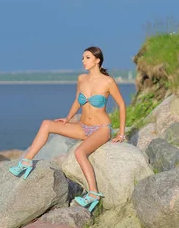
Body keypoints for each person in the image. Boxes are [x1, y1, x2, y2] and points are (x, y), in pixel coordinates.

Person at [9, 46, 127, 212]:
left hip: (101, 129)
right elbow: (77, 101)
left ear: (97, 60)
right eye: (82, 58)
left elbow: (121, 105)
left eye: (87, 58)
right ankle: (26, 162)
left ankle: (93, 194)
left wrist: (121, 133)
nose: (83, 61)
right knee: (46, 124)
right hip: (83, 127)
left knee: (80, 152)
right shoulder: (81, 79)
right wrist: (68, 118)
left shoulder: (108, 82)